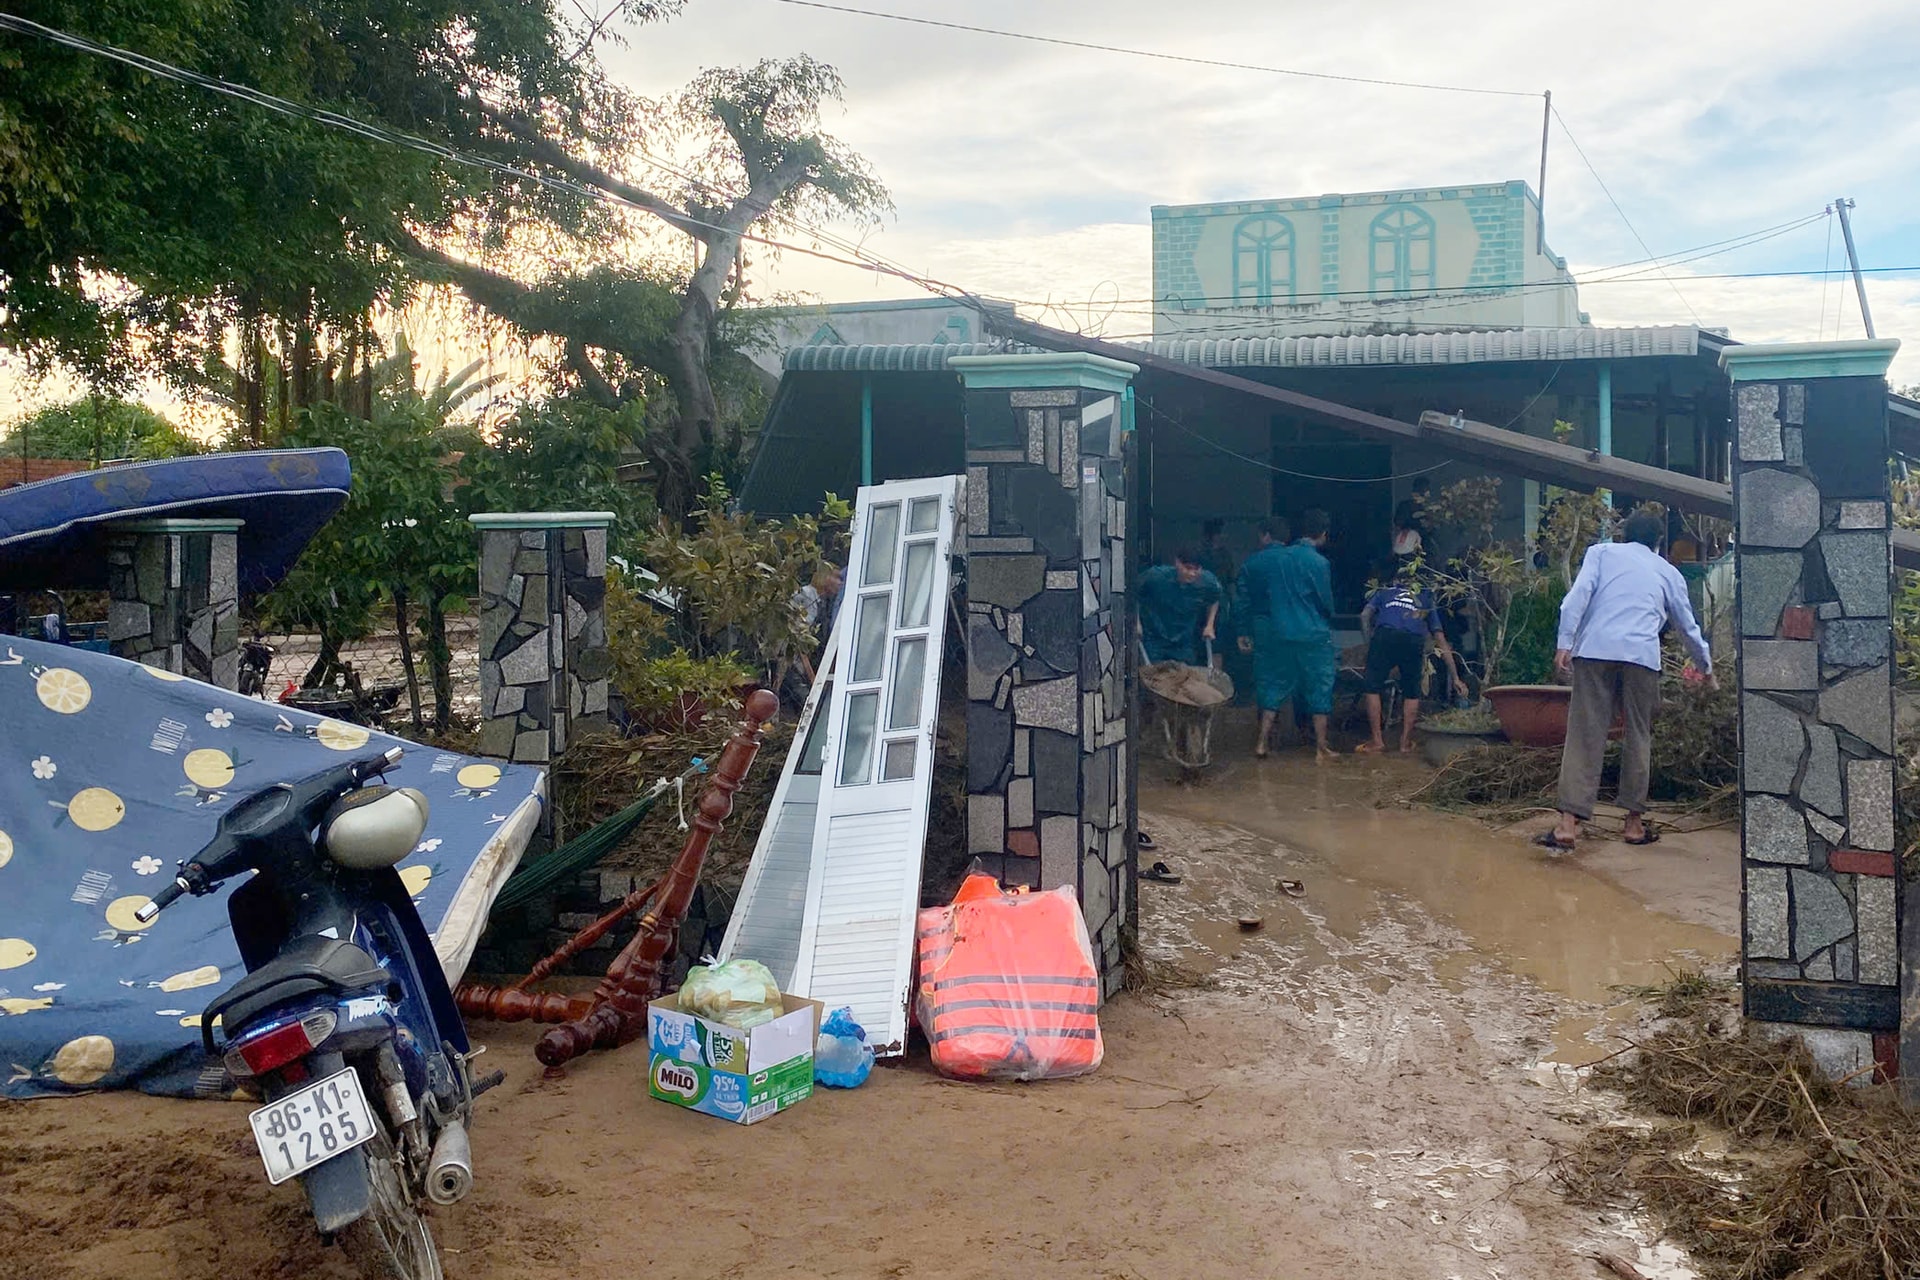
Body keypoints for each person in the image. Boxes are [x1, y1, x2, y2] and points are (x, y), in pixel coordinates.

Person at [1538, 510, 1715, 852]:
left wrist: (1565, 642)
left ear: (1624, 535)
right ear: (1658, 543)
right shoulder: (1668, 572)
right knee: (1639, 734)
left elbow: (1576, 598)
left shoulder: (1602, 553)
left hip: (1595, 650)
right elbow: (1687, 625)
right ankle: (1633, 824)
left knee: (1585, 733)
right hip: (1641, 657)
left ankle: (1567, 825)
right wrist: (1705, 665)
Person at [1238, 510, 1338, 761]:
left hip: (1279, 631)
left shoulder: (1278, 559)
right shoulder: (1318, 563)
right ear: (1324, 534)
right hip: (1312, 633)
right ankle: (1321, 748)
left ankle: (1261, 743)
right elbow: (1325, 601)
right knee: (1319, 686)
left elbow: (1254, 596)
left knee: (1273, 683)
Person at [1355, 561, 1459, 754]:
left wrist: (1369, 642)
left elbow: (1364, 616)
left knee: (1372, 686)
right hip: (1413, 641)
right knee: (1412, 691)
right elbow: (1440, 638)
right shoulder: (1425, 597)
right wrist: (1456, 677)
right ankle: (1404, 743)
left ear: (1396, 580)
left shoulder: (1385, 591)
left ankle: (1377, 741)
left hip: (1384, 636)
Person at [1135, 547, 1222, 666]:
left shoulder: (1207, 581)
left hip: (1184, 641)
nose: (1192, 574)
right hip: (1154, 638)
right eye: (1188, 568)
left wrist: (1210, 625)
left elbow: (1215, 598)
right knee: (1155, 676)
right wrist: (1136, 622)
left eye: (1196, 569)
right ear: (1177, 563)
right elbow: (1133, 594)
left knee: (1185, 677)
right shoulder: (1155, 576)